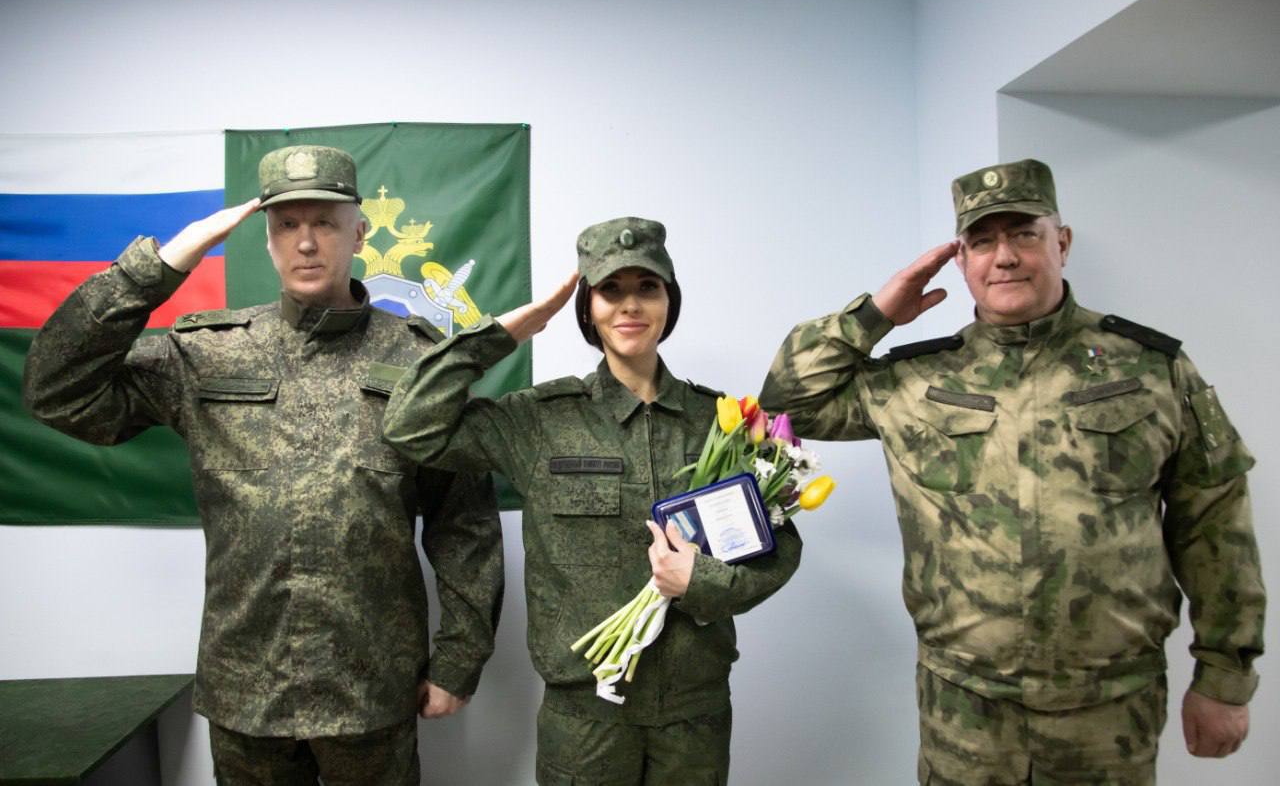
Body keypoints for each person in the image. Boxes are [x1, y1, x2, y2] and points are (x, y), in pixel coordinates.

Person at [759, 159, 1264, 784]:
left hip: (1109, 709)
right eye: (982, 241)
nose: (1005, 257)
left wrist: (1225, 677)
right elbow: (787, 403)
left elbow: (1215, 525)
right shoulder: (916, 378)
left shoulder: (1152, 368)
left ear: (1062, 243)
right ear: (962, 260)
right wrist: (876, 314)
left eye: (1025, 233)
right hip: (964, 708)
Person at [23, 145, 504, 785]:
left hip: (370, 683)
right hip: (247, 685)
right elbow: (57, 392)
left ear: (360, 233)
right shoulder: (208, 354)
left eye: (325, 223)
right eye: (287, 224)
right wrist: (156, 270)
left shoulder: (420, 361)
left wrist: (459, 660)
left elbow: (463, 521)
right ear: (269, 240)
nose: (306, 242)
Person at [382, 216, 802, 785]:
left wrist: (700, 583)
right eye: (610, 290)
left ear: (669, 303)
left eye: (647, 288)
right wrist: (504, 333)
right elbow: (409, 428)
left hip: (694, 713)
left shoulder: (723, 421)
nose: (630, 305)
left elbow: (778, 545)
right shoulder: (539, 420)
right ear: (588, 308)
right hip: (584, 719)